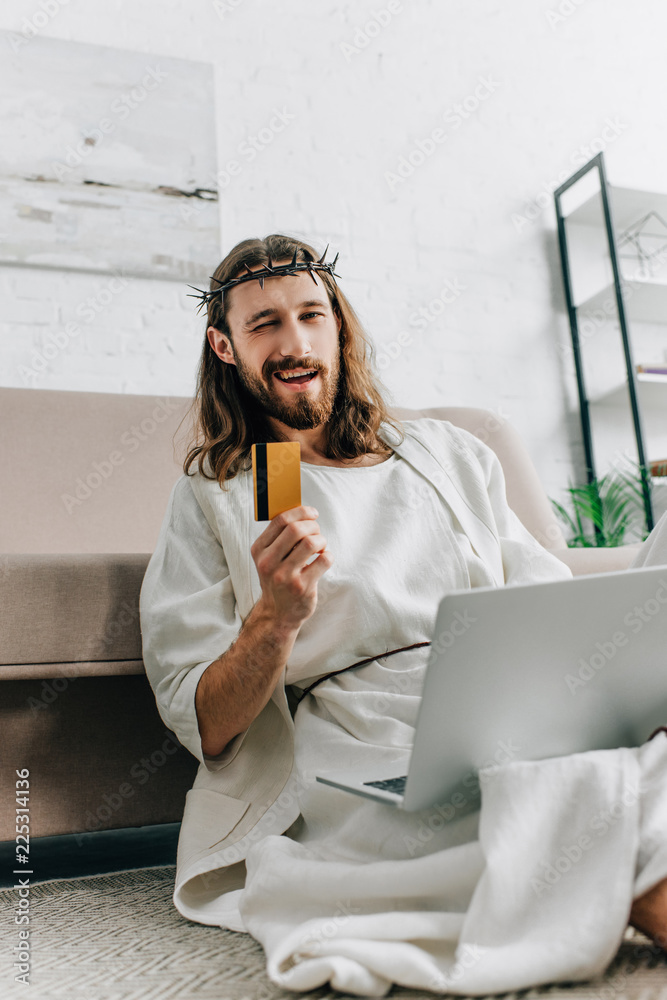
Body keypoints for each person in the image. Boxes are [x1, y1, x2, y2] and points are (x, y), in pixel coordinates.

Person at [139, 233, 667, 997]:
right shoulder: (223, 492)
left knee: (595, 770)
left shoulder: (444, 453)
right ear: (224, 347)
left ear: (339, 327)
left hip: (498, 693)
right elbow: (209, 725)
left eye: (310, 317)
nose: (293, 344)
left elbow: (550, 601)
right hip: (358, 734)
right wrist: (274, 620)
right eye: (263, 326)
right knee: (560, 797)